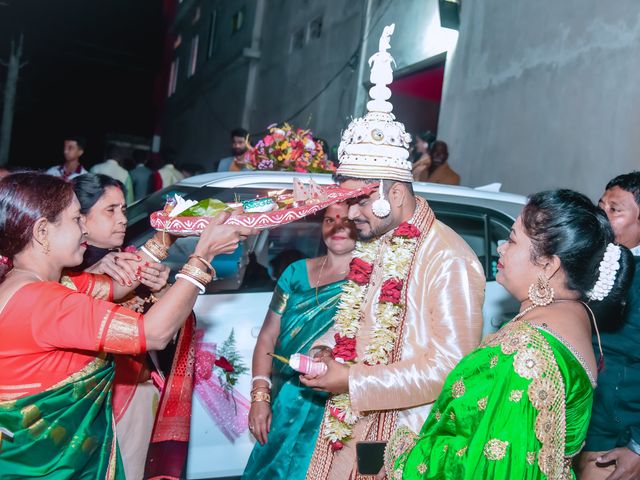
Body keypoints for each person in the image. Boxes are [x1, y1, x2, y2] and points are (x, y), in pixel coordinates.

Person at [301, 27, 486, 479]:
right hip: (354, 428)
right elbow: (359, 328)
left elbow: (450, 371)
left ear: (394, 192)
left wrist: (352, 379)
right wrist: (330, 354)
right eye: (345, 202)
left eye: (361, 200)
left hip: (407, 442)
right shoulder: (375, 242)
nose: (348, 216)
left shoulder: (449, 258)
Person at [0, 172, 255, 478]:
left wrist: (166, 236)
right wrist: (202, 257)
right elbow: (153, 333)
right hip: (48, 466)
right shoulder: (45, 302)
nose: (84, 228)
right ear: (43, 231)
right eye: (75, 219)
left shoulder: (32, 284)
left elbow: (118, 287)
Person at [385, 189, 634, 480]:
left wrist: (403, 453)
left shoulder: (525, 353)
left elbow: (490, 466)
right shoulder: (573, 319)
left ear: (548, 265)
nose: (502, 247)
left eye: (513, 239)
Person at [243, 203, 357, 480]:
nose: (337, 227)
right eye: (329, 220)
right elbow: (269, 334)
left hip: (335, 402)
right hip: (286, 397)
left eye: (345, 220)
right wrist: (260, 397)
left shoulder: (373, 278)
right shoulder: (295, 273)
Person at [71, 173, 173, 479]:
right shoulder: (63, 270)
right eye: (110, 210)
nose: (122, 220)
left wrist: (163, 288)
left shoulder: (129, 260)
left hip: (137, 390)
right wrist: (93, 274)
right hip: (90, 401)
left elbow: (164, 333)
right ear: (81, 220)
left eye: (124, 210)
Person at [578, 172, 640, 480]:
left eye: (615, 209)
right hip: (578, 424)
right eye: (601, 205)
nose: (601, 214)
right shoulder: (594, 260)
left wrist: (638, 448)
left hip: (614, 436)